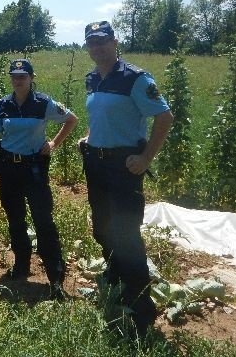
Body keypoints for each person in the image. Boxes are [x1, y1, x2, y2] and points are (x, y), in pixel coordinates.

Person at [79, 21, 173, 338]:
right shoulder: (92, 78)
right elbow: (100, 117)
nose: (98, 48)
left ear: (115, 43)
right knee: (101, 226)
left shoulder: (136, 78)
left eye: (103, 42)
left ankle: (141, 310)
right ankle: (116, 277)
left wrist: (146, 158)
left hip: (124, 166)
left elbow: (165, 116)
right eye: (92, 43)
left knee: (127, 234)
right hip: (96, 163)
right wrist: (89, 137)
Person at [0, 58, 78, 299]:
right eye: (14, 75)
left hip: (34, 169)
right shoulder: (3, 104)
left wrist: (53, 143)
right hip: (9, 169)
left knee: (43, 220)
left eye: (23, 76)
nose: (18, 80)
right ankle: (21, 266)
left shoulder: (43, 103)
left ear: (31, 78)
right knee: (15, 219)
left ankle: (55, 277)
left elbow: (71, 119)